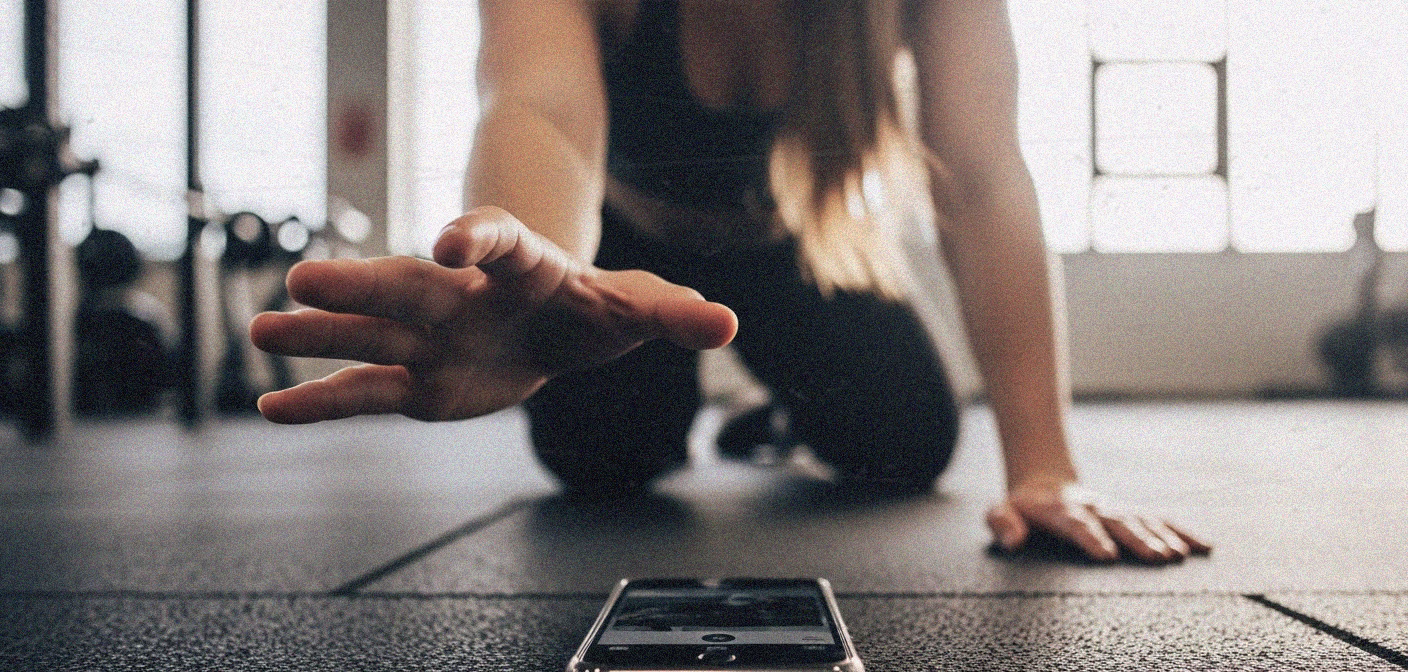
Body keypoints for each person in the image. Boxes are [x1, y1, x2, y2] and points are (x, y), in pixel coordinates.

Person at [250, 0, 1211, 564]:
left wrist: (1045, 466)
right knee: (603, 460)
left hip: (790, 248)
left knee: (907, 442)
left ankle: (766, 420)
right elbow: (537, 107)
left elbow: (986, 173)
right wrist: (531, 281)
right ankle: (685, 395)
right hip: (626, 253)